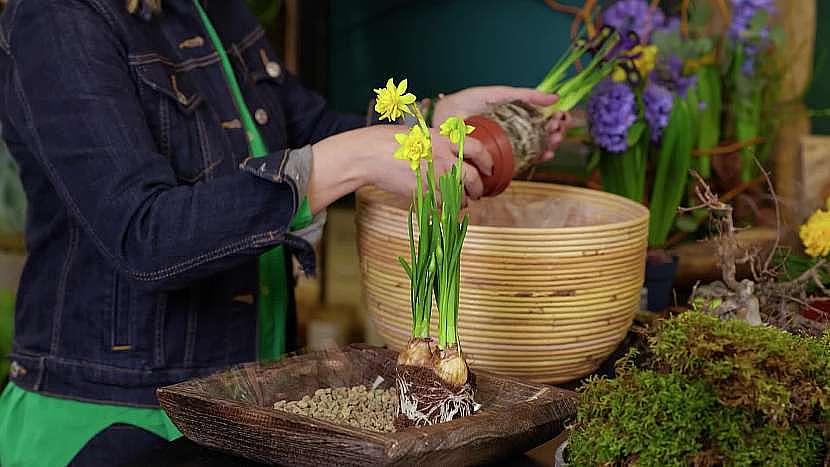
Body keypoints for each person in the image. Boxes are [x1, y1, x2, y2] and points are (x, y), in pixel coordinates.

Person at [0, 1, 569, 465]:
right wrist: (337, 164)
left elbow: (310, 132)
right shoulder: (58, 18)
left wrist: (435, 116)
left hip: (242, 404)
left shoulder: (212, 10)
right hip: (115, 417)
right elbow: (144, 235)